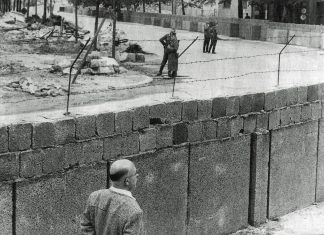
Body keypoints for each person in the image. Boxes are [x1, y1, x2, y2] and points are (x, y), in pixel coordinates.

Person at [80, 159, 144, 235]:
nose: (137, 175)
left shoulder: (94, 196)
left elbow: (86, 227)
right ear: (127, 181)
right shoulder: (134, 212)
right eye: (135, 173)